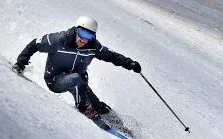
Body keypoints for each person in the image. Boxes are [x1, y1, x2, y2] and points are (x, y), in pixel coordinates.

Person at [13, 16, 141, 130]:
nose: (84, 39)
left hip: (79, 82)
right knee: (75, 79)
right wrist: (21, 62)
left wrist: (129, 63)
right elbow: (34, 44)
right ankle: (85, 109)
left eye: (89, 36)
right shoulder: (58, 40)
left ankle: (123, 129)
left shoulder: (93, 46)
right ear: (75, 29)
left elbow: (112, 56)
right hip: (55, 80)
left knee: (98, 104)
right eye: (82, 33)